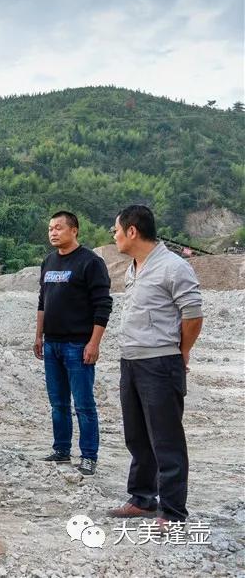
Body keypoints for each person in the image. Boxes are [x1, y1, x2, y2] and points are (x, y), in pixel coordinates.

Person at [107, 205, 203, 528]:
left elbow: (193, 316)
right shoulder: (134, 267)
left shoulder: (173, 267)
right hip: (131, 361)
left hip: (160, 363)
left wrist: (181, 351)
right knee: (137, 436)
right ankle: (142, 498)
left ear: (132, 231)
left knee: (166, 438)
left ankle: (173, 512)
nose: (114, 235)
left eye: (116, 230)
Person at [33, 211, 113, 476]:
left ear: (74, 230)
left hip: (78, 345)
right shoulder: (48, 262)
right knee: (58, 402)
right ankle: (61, 449)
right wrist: (38, 335)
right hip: (52, 344)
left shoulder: (90, 262)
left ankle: (89, 455)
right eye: (50, 228)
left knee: (83, 404)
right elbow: (43, 302)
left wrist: (94, 343)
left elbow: (103, 305)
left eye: (58, 228)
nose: (53, 232)